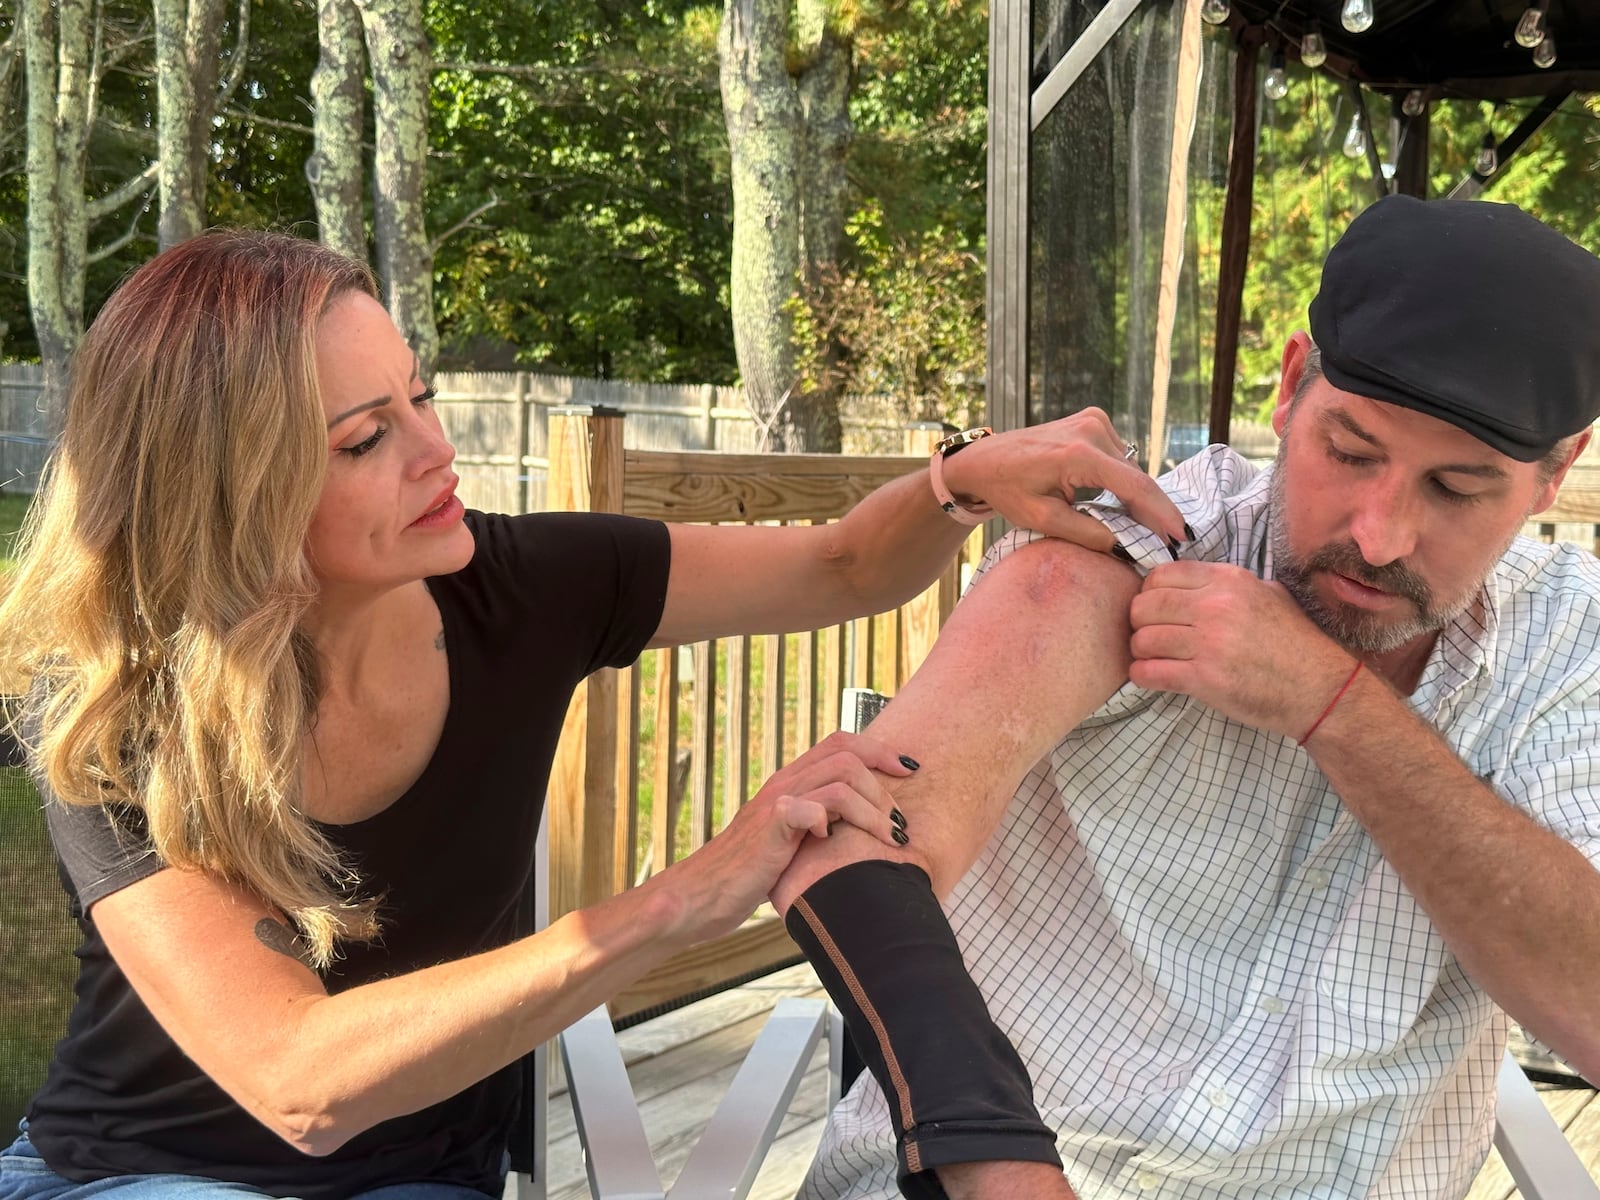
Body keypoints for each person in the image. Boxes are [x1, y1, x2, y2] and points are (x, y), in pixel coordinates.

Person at [0, 231, 1191, 1200]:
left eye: (419, 397)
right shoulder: (113, 700)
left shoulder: (522, 588)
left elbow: (836, 569)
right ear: (230, 489)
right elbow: (298, 1082)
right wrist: (692, 893)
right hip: (131, 1176)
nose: (439, 450)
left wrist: (959, 480)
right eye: (367, 438)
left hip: (421, 1179)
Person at [770, 194, 1600, 1200]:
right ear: (1292, 388)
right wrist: (994, 1154)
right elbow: (872, 840)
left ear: (1556, 473)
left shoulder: (1570, 645)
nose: (1378, 535)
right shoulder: (1141, 543)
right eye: (1349, 451)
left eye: (1456, 490)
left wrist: (1332, 706)